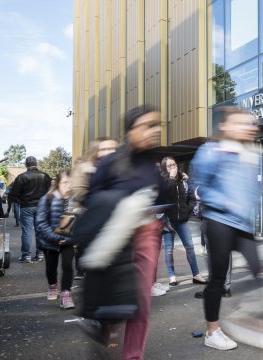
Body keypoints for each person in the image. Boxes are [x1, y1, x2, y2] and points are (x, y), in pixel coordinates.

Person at [77, 106, 164, 359]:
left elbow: (158, 196)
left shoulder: (152, 163)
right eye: (149, 125)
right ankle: (102, 328)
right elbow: (91, 201)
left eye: (158, 125)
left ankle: (132, 356)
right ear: (131, 130)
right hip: (114, 238)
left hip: (146, 235)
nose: (156, 130)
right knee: (113, 301)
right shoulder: (109, 162)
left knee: (141, 305)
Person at [190, 106, 263, 350]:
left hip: (242, 223)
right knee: (218, 279)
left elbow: (252, 190)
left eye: (249, 124)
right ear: (226, 126)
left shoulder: (252, 154)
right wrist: (227, 202)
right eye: (242, 123)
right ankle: (212, 331)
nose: (248, 127)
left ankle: (257, 321)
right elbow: (199, 189)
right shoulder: (211, 151)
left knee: (256, 267)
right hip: (219, 220)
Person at [70, 137, 118, 280]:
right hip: (90, 219)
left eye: (112, 148)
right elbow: (79, 193)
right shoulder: (84, 169)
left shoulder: (117, 169)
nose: (110, 152)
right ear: (95, 151)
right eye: (104, 149)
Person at [159, 156, 206, 286]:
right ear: (164, 168)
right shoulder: (162, 181)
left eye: (174, 164)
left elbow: (191, 197)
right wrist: (172, 178)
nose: (173, 167)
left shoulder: (184, 180)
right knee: (169, 249)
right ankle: (172, 276)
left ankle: (196, 274)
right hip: (168, 221)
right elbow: (166, 196)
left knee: (190, 247)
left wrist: (188, 209)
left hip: (182, 220)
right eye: (169, 165)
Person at [35, 169, 75, 309]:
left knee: (67, 265)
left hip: (68, 241)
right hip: (49, 241)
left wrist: (71, 239)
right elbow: (41, 223)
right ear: (58, 183)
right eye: (65, 182)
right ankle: (52, 286)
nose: (68, 186)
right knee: (51, 268)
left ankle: (66, 294)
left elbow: (81, 222)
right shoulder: (47, 198)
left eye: (70, 182)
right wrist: (55, 238)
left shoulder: (75, 200)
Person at [9, 156, 52, 263]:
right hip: (42, 207)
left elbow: (13, 194)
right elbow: (51, 192)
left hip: (26, 207)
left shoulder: (21, 177)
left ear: (26, 165)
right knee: (40, 231)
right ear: (36, 163)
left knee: (27, 231)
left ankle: (26, 255)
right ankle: (40, 254)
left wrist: (21, 202)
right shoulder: (45, 176)